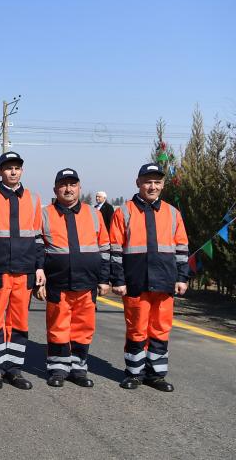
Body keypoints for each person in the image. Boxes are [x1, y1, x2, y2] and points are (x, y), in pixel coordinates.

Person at [109, 163, 189, 392]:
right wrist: (118, 280)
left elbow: (182, 248)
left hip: (164, 283)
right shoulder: (123, 212)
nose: (152, 186)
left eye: (157, 182)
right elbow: (115, 249)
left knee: (160, 329)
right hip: (135, 283)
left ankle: (156, 375)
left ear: (162, 185)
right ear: (138, 183)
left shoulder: (173, 213)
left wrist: (182, 278)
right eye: (148, 181)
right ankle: (134, 373)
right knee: (136, 329)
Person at [36, 168, 110, 388]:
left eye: (72, 184)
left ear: (79, 187)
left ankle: (78, 369)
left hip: (87, 284)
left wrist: (104, 279)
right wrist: (38, 282)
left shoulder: (93, 214)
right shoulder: (45, 214)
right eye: (63, 185)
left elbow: (104, 247)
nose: (68, 189)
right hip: (57, 284)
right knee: (58, 326)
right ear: (55, 189)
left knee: (83, 327)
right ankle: (58, 368)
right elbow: (37, 249)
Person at [0, 152, 45, 391]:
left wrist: (39, 267)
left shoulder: (34, 198)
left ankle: (14, 368)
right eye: (7, 168)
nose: (12, 172)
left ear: (22, 170)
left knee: (19, 321)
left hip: (25, 271)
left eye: (16, 168)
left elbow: (39, 237)